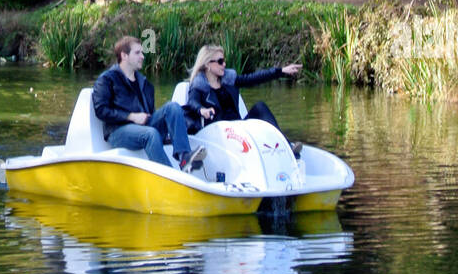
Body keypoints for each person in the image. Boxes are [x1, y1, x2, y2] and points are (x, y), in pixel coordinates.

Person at [92, 36, 206, 172]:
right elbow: (101, 110)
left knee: (173, 107)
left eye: (142, 52)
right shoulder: (107, 79)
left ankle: (184, 157)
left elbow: (151, 114)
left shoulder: (145, 83)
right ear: (124, 55)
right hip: (117, 131)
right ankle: (170, 176)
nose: (143, 57)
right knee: (150, 133)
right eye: (137, 53)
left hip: (144, 127)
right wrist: (131, 116)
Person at [185, 44, 303, 153]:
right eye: (220, 62)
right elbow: (192, 102)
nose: (224, 64)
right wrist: (202, 110)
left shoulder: (229, 79)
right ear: (207, 64)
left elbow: (254, 78)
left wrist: (280, 71)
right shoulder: (199, 85)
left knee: (260, 107)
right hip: (218, 133)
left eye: (224, 60)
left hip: (238, 127)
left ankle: (286, 146)